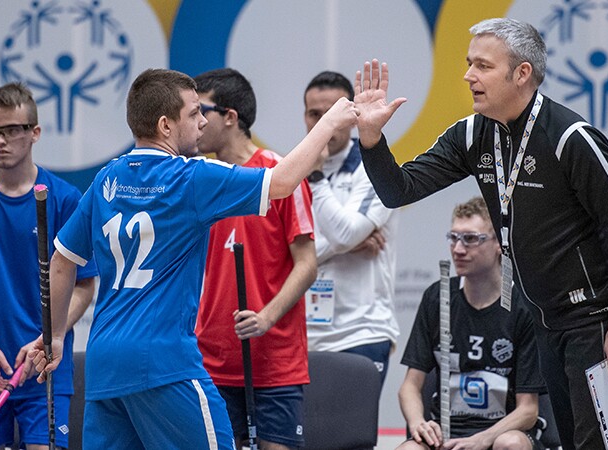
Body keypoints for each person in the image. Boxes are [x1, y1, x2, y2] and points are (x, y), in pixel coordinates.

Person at [354, 18, 608, 449]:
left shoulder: (570, 136)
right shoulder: (473, 134)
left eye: (482, 66)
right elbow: (400, 190)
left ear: (521, 73)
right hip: (543, 318)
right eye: (469, 63)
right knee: (572, 442)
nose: (468, 75)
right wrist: (371, 139)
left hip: (595, 319)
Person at [29, 68, 358, 450]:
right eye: (193, 113)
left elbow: (62, 260)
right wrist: (331, 120)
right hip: (165, 363)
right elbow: (282, 180)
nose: (203, 122)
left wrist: (54, 334)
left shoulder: (107, 178)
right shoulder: (192, 177)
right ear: (166, 125)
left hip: (105, 364)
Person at [0, 82, 97, 450]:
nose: (0, 140)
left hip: (44, 369)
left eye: (12, 130)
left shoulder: (65, 199)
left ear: (34, 133)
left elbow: (84, 286)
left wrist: (48, 337)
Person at [193, 68, 315, 450]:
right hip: (210, 360)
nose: (194, 123)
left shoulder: (280, 175)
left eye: (202, 111)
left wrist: (266, 317)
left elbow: (307, 264)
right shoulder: (198, 178)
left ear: (230, 117)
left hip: (275, 363)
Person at [397, 197, 545, 450]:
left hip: (503, 431)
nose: (458, 249)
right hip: (446, 433)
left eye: (471, 239)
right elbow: (410, 386)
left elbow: (528, 410)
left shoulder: (523, 305)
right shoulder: (438, 296)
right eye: (453, 238)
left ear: (500, 242)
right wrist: (418, 423)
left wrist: (481, 440)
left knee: (510, 444)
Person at [302, 71, 399, 386]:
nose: (321, 122)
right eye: (314, 114)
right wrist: (344, 245)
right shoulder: (291, 169)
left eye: (331, 113)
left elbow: (342, 234)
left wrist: (316, 179)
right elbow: (276, 257)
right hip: (302, 333)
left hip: (362, 331)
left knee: (352, 436)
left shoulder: (376, 167)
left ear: (351, 115)